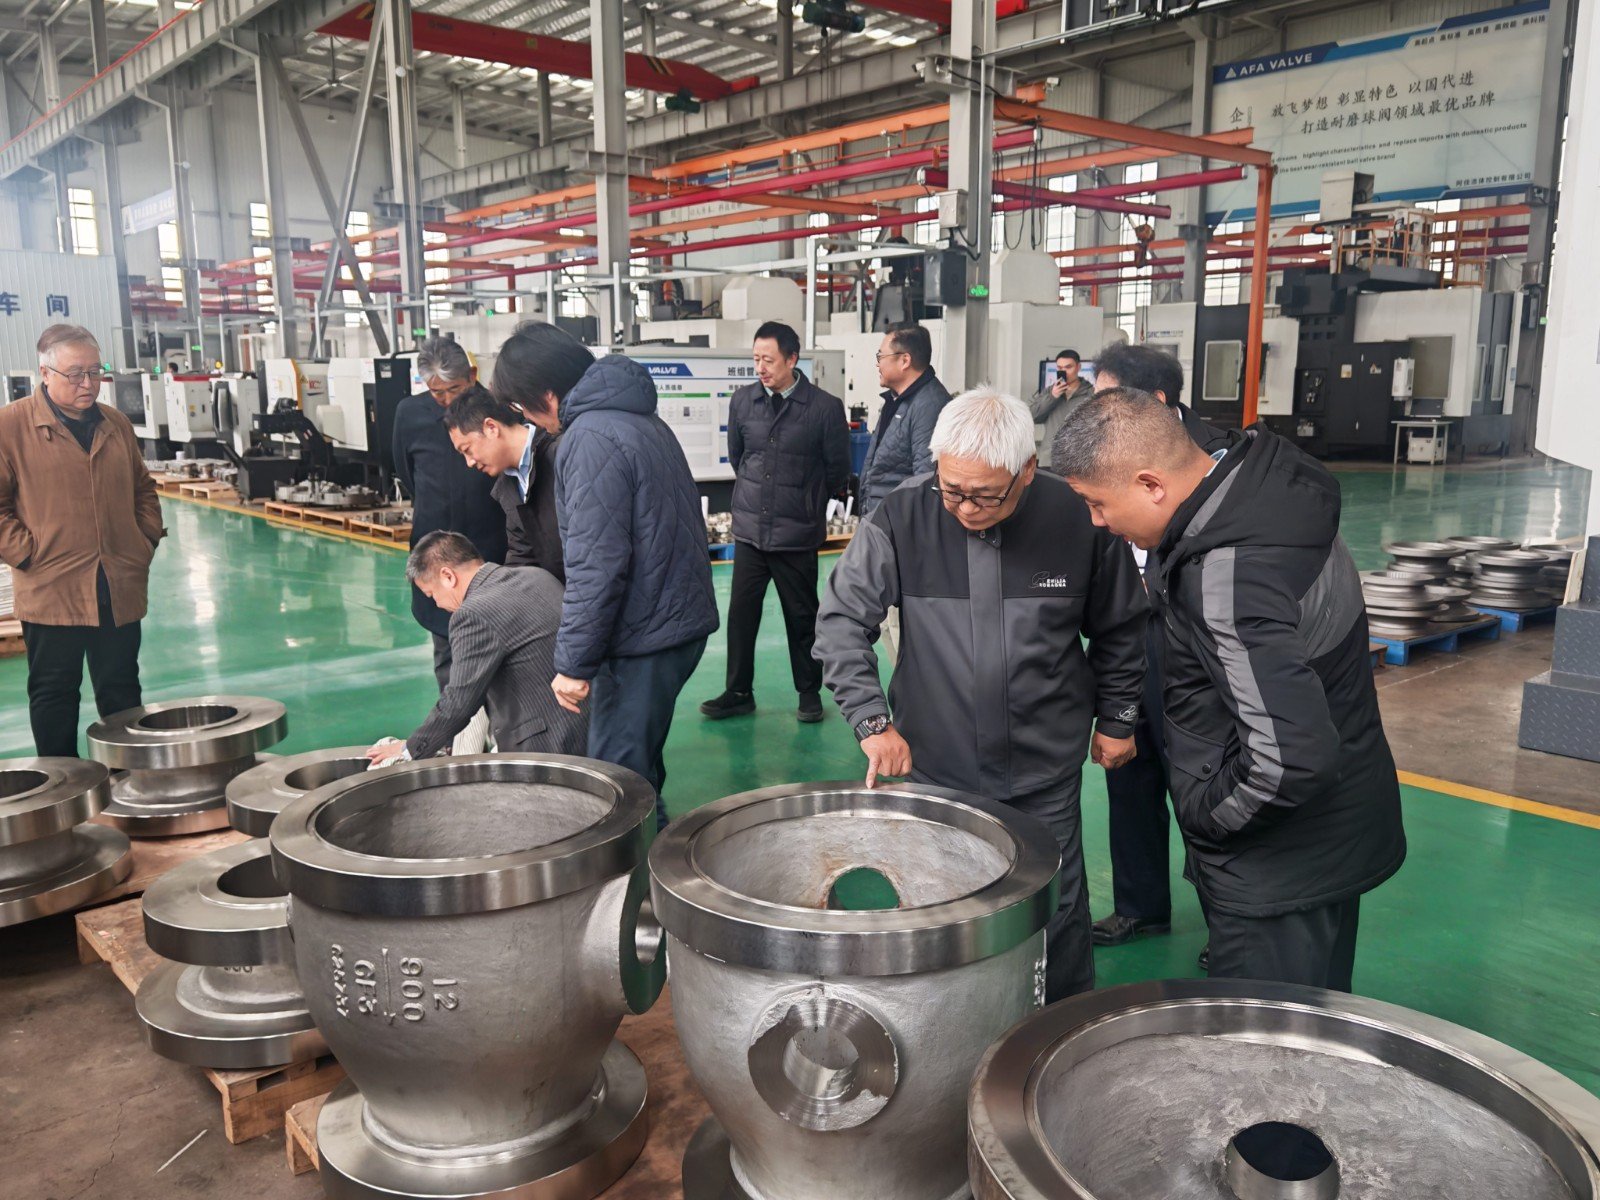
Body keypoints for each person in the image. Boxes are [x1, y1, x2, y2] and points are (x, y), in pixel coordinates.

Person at [1055, 388, 1406, 991]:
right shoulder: (1261, 489)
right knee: (1313, 1018)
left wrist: (1206, 814)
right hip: (1329, 837)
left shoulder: (1228, 577)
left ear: (1151, 485)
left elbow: (1289, 760)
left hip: (1275, 868)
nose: (1097, 522)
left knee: (1259, 1041)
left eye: (1097, 503)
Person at [816, 387, 1148, 1002]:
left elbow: (1121, 626)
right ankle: (950, 1029)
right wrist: (871, 721)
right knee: (944, 908)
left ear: (1027, 469)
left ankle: (1058, 1026)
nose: (965, 508)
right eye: (952, 490)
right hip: (938, 766)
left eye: (986, 495)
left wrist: (1118, 717)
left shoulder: (1079, 517)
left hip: (1045, 768)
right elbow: (841, 622)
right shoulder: (903, 515)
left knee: (1055, 905)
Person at [483, 322, 718, 828]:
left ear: (546, 394)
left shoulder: (587, 439)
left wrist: (573, 664)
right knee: (638, 760)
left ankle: (635, 872)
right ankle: (652, 847)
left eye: (522, 407)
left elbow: (597, 565)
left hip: (643, 636)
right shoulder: (639, 420)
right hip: (675, 622)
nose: (527, 419)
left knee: (616, 781)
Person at [1081, 341, 1218, 949]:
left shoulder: (1217, 457)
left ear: (1156, 402)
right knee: (1129, 772)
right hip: (1130, 641)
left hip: (1197, 648)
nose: (1096, 413)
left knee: (1204, 782)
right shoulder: (1105, 454)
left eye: (1107, 399)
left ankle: (1227, 920)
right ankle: (1141, 906)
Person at [0, 324, 164, 758]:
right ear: (45, 372)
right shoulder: (10, 426)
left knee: (121, 688)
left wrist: (143, 541)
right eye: (75, 374)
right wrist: (28, 554)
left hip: (117, 583)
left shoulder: (116, 424)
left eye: (95, 372)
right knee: (54, 692)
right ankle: (61, 784)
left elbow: (143, 488)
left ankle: (131, 779)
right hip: (51, 587)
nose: (88, 384)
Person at [700, 321, 850, 725]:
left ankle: (809, 692)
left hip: (796, 533)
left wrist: (805, 501)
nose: (760, 368)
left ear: (792, 359)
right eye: (755, 359)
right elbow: (739, 456)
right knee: (741, 616)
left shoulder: (823, 408)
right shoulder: (743, 401)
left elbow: (837, 470)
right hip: (750, 531)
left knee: (801, 616)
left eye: (768, 360)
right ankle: (738, 692)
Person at [367, 533, 585, 765]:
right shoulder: (537, 576)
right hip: (587, 729)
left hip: (547, 750)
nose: (437, 604)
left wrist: (409, 749)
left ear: (448, 576)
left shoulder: (473, 614)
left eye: (432, 594)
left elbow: (458, 703)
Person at [392, 337, 509, 694]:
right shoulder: (410, 414)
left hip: (492, 546)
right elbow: (405, 471)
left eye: (454, 389)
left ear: (472, 375)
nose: (445, 400)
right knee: (446, 646)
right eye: (436, 392)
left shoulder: (498, 408)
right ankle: (457, 722)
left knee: (498, 643)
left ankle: (500, 723)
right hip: (436, 547)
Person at [442, 367, 564, 582]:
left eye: (467, 449)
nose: (469, 463)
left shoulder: (561, 456)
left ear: (491, 427)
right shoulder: (508, 487)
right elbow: (522, 559)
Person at [857, 323, 950, 515]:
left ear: (905, 360)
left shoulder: (930, 406)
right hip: (884, 520)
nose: (878, 364)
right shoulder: (896, 400)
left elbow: (926, 482)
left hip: (900, 524)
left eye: (881, 356)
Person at [1029, 349, 1093, 472]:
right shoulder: (1049, 392)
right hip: (1049, 459)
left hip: (1078, 461)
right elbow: (1032, 416)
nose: (1063, 372)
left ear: (1078, 367)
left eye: (1068, 367)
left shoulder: (1090, 393)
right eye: (1059, 368)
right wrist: (1053, 397)